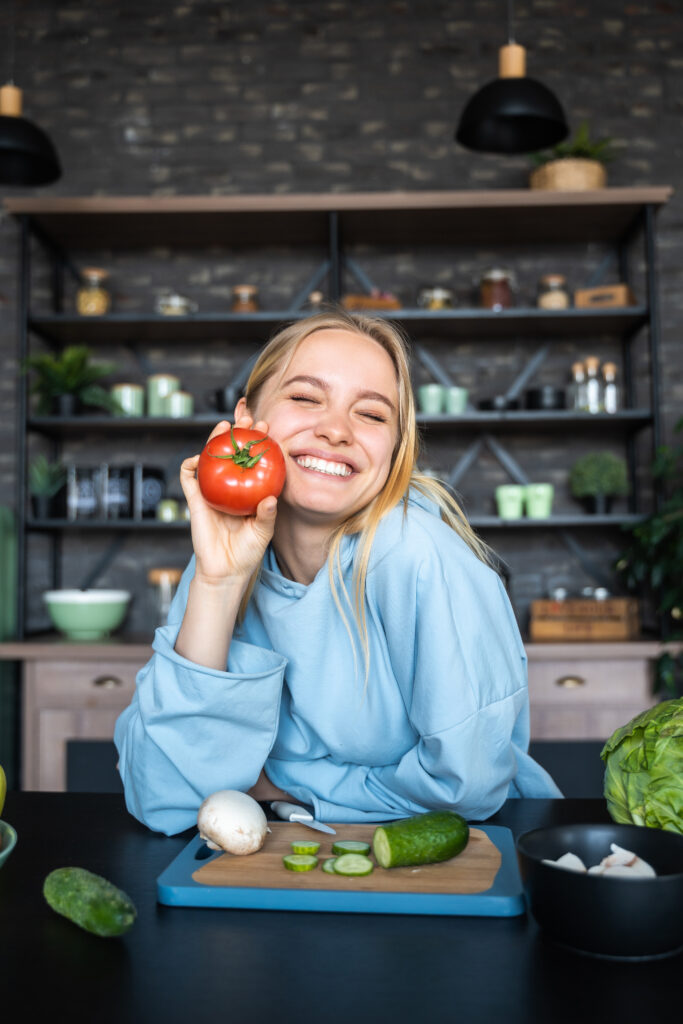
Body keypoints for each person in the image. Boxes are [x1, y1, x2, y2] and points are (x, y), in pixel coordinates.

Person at [114, 310, 561, 835]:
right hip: (294, 855)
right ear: (246, 420)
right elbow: (161, 795)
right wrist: (219, 584)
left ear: (395, 449)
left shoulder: (420, 557)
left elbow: (465, 787)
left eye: (371, 414)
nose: (335, 430)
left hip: (469, 854)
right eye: (305, 398)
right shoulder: (226, 550)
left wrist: (282, 790)